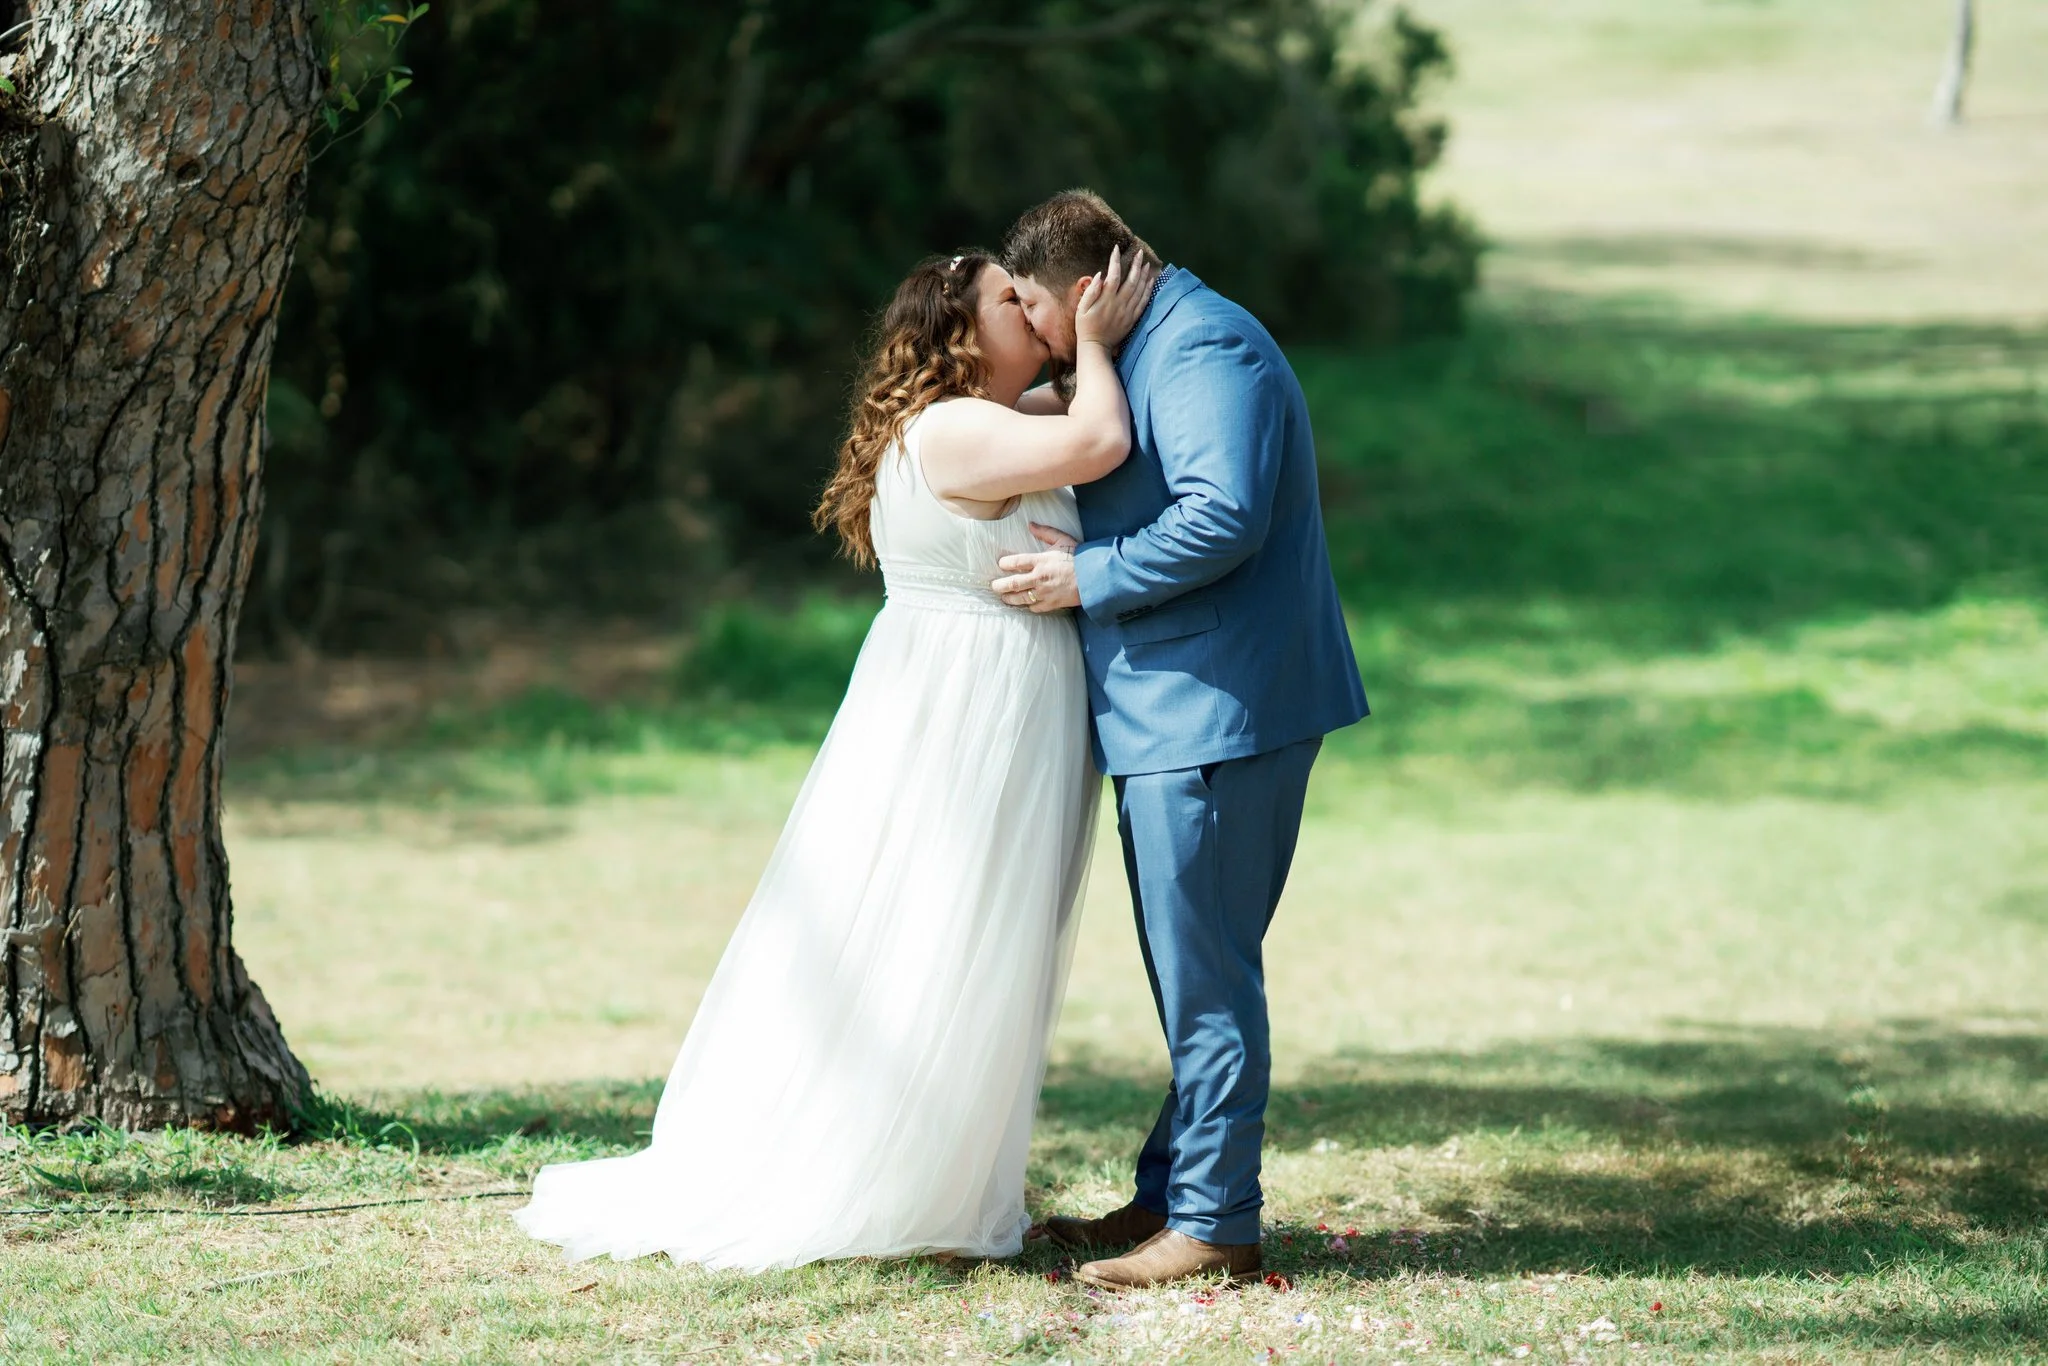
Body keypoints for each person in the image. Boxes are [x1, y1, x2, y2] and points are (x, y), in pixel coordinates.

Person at [512, 247, 1158, 1270]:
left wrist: (1084, 347)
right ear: (955, 329)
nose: (1027, 310)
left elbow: (1084, 419)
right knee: (946, 919)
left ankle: (930, 1163)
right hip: (969, 703)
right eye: (1006, 298)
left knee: (969, 928)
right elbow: (1102, 434)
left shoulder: (990, 418)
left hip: (983, 692)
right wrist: (1089, 335)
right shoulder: (952, 427)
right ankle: (884, 1172)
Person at [991, 189, 1369, 1290]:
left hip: (1215, 709)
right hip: (1181, 707)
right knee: (1191, 969)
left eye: (1030, 304)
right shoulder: (1148, 344)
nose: (1032, 327)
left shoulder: (1206, 348)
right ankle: (1171, 1195)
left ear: (1085, 287)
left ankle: (1213, 1222)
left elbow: (1221, 514)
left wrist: (1081, 578)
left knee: (1205, 978)